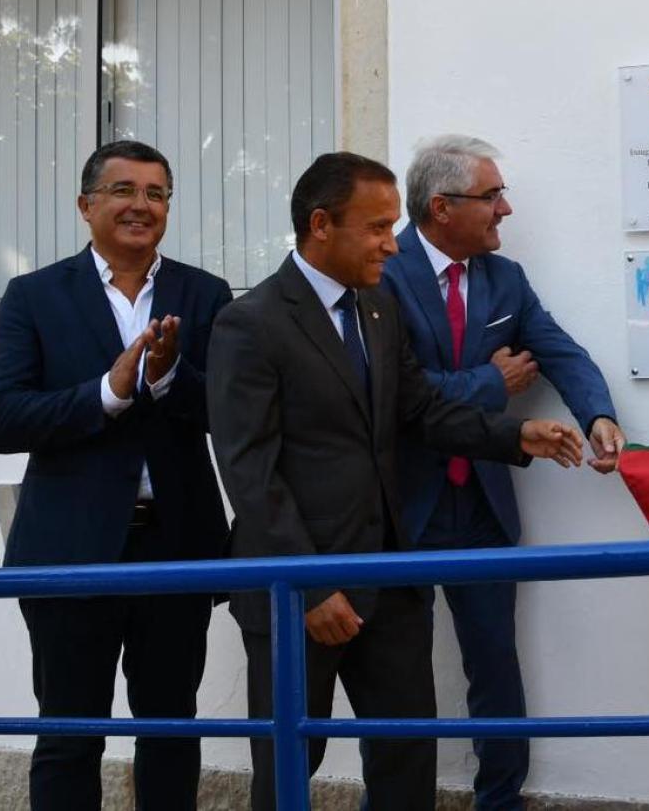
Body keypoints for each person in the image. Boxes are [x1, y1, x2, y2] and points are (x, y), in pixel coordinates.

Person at [206, 152, 584, 811]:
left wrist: (515, 436)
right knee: (291, 767)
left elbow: (419, 409)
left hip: (390, 580)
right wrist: (312, 584)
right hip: (299, 591)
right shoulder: (251, 323)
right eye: (377, 228)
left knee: (407, 759)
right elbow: (248, 471)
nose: (392, 242)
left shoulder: (378, 305)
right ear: (321, 225)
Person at [0, 140, 233, 810]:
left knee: (171, 731)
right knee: (68, 736)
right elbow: (0, 418)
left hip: (176, 547)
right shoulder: (33, 296)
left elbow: (232, 415)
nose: (140, 206)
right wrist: (108, 392)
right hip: (67, 551)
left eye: (156, 193)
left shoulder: (204, 295)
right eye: (123, 191)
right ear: (86, 205)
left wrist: (170, 375)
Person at [380, 134, 624, 811]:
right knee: (400, 680)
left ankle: (501, 800)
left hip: (483, 503)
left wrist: (598, 414)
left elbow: (559, 350)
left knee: (495, 663)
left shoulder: (503, 279)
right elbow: (393, 398)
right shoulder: (382, 273)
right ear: (441, 206)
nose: (506, 209)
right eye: (492, 197)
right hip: (404, 506)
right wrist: (489, 384)